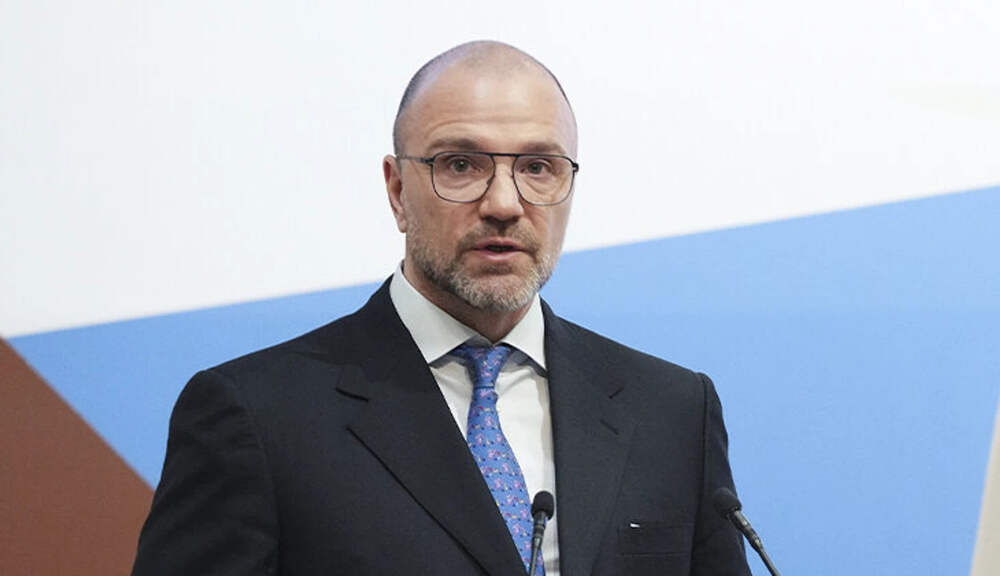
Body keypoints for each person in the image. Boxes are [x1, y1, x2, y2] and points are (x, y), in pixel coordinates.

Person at [131, 40, 751, 576]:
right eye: (460, 165)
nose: (504, 203)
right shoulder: (258, 417)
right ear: (397, 190)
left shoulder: (672, 411)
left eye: (538, 167)